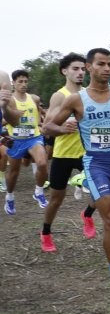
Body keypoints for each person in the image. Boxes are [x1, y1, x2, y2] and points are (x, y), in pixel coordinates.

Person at [43, 48, 110, 297]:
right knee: (109, 220)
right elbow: (48, 126)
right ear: (89, 67)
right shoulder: (77, 99)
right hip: (96, 164)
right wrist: (64, 129)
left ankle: (84, 184)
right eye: (101, 64)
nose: (107, 68)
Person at [40, 53, 97, 252]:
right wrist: (63, 128)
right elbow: (46, 127)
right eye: (75, 68)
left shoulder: (89, 94)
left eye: (83, 69)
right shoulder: (60, 96)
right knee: (57, 198)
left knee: (100, 191)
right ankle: (46, 233)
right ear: (64, 71)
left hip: (87, 154)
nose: (80, 72)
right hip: (63, 154)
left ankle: (87, 215)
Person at [4, 70, 49, 215]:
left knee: (42, 163)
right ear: (13, 83)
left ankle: (39, 191)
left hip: (33, 138)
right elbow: (4, 118)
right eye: (20, 82)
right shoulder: (9, 99)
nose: (23, 84)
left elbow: (39, 113)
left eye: (25, 81)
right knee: (14, 172)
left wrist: (39, 125)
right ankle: (10, 197)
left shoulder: (34, 98)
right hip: (16, 140)